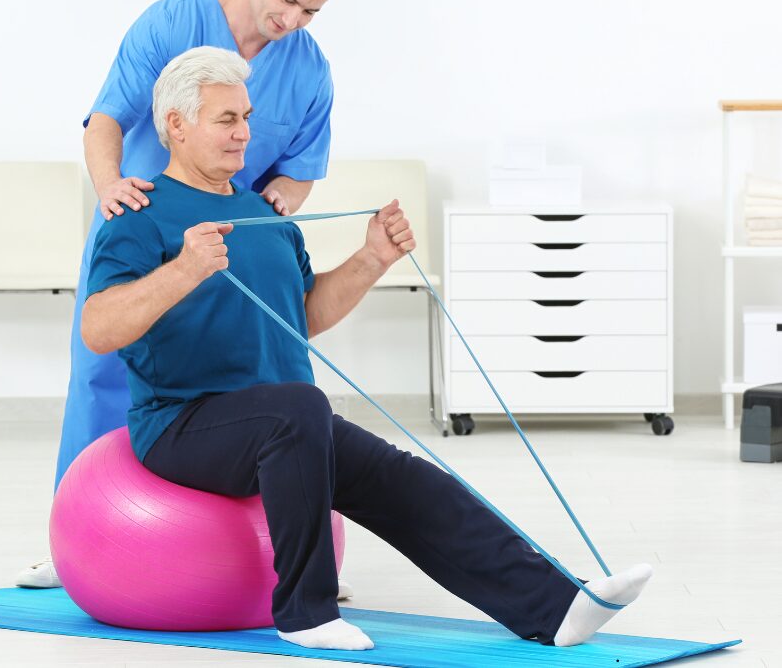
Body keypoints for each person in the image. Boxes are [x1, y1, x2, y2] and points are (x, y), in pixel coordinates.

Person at [79, 46, 653, 651]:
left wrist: (372, 256)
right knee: (302, 409)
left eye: (246, 117)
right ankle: (305, 614)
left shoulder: (263, 214)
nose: (244, 133)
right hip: (182, 424)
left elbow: (303, 316)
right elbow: (98, 328)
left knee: (403, 477)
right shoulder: (138, 213)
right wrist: (182, 272)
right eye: (227, 120)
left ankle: (554, 607)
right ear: (176, 124)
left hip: (283, 423)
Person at [17, 0, 348, 591]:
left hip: (232, 253)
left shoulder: (309, 68)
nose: (292, 21)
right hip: (143, 231)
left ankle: (300, 548)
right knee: (105, 369)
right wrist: (109, 184)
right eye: (286, 0)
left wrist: (282, 196)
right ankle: (76, 541)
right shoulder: (173, 23)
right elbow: (106, 118)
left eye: (310, 11)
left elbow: (300, 169)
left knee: (267, 380)